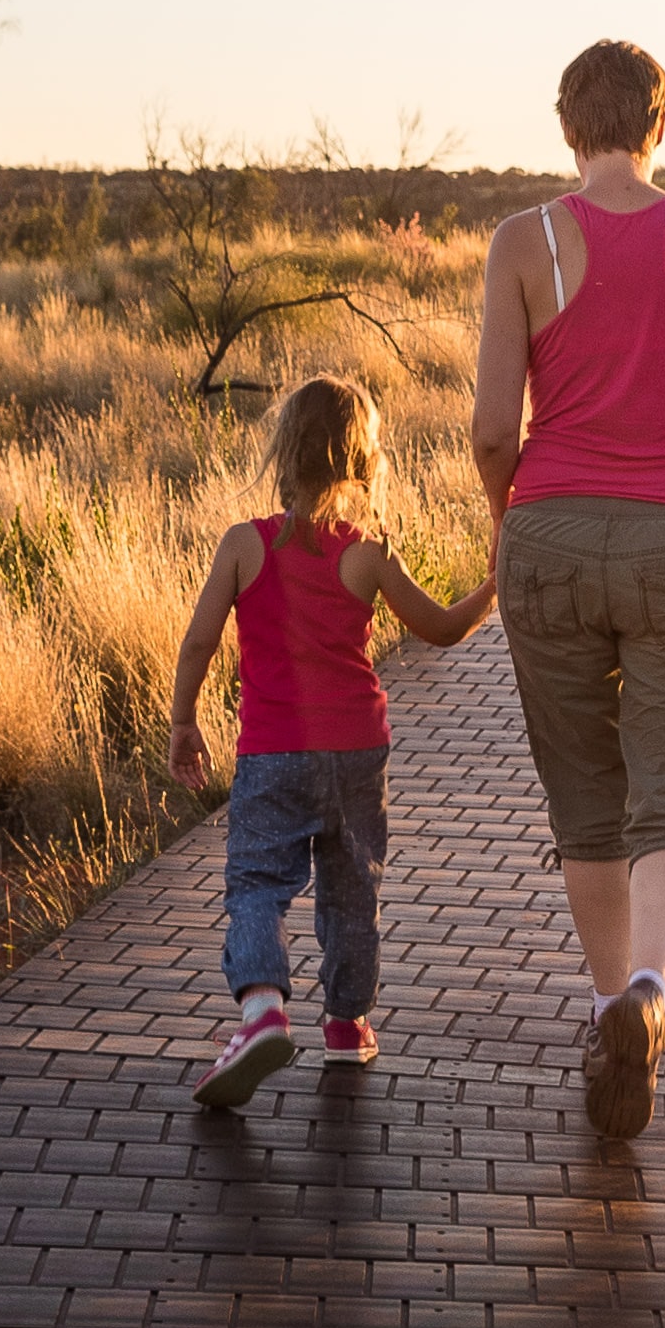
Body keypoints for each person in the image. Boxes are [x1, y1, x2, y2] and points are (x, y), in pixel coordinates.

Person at [471, 38, 665, 1139]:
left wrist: (511, 520)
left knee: (584, 794)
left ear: (567, 126)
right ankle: (649, 988)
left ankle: (609, 1000)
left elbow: (485, 427)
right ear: (661, 123)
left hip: (549, 530)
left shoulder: (520, 242)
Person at [161, 375, 495, 1110]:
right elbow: (438, 629)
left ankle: (261, 1012)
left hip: (273, 750)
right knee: (351, 887)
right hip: (356, 750)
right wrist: (491, 585)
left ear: (284, 451)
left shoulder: (244, 545)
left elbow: (197, 642)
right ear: (360, 461)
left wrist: (184, 720)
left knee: (257, 882)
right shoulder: (366, 553)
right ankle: (346, 1024)